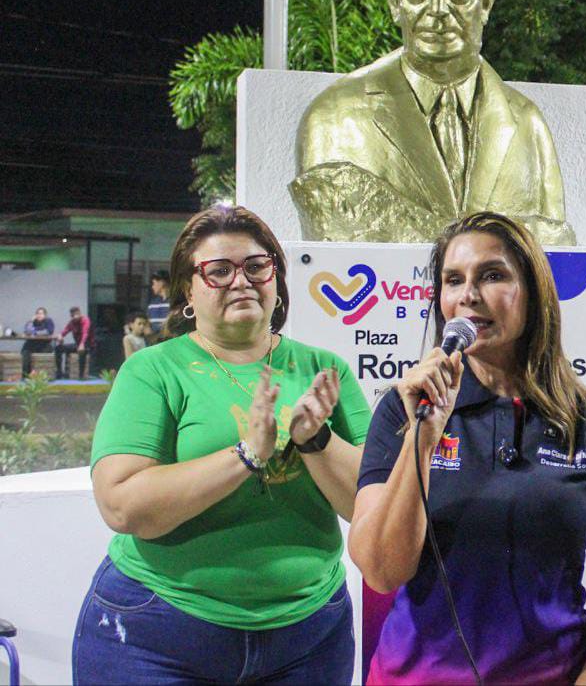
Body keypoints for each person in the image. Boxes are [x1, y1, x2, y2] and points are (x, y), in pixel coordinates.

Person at [350, 211, 586, 684]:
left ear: (533, 294)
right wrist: (424, 436)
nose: (468, 294)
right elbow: (382, 572)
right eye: (453, 280)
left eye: (492, 275)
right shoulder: (403, 412)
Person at [72, 205, 372, 683]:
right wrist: (247, 455)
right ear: (188, 292)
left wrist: (317, 439)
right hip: (158, 632)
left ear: (276, 280)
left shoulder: (324, 368)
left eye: (256, 266)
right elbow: (123, 506)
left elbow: (372, 503)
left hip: (308, 637)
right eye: (218, 271)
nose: (241, 281)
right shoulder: (154, 370)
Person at [292, 0, 575, 246]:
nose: (438, 9)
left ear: (485, 2)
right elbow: (333, 243)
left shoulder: (527, 122)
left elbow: (554, 256)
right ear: (395, 1)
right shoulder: (334, 116)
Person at [55, 306, 93, 380]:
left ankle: (81, 375)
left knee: (82, 351)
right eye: (73, 315)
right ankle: (59, 372)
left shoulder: (85, 320)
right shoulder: (72, 322)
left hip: (88, 345)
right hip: (77, 345)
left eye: (76, 314)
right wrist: (60, 336)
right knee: (58, 348)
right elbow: (65, 331)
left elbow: (85, 333)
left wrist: (82, 344)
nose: (75, 317)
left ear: (80, 313)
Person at [20, 306, 55, 377]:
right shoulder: (33, 321)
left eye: (41, 313)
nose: (39, 315)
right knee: (25, 352)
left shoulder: (48, 321)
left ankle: (40, 376)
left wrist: (34, 332)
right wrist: (31, 321)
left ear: (45, 315)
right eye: (38, 313)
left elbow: (48, 331)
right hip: (32, 344)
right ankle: (26, 375)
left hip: (44, 344)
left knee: (42, 356)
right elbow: (27, 330)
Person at [147, 269, 170, 335]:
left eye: (154, 283)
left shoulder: (175, 301)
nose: (152, 287)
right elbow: (148, 322)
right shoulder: (152, 303)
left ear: (162, 282)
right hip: (154, 340)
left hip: (169, 340)